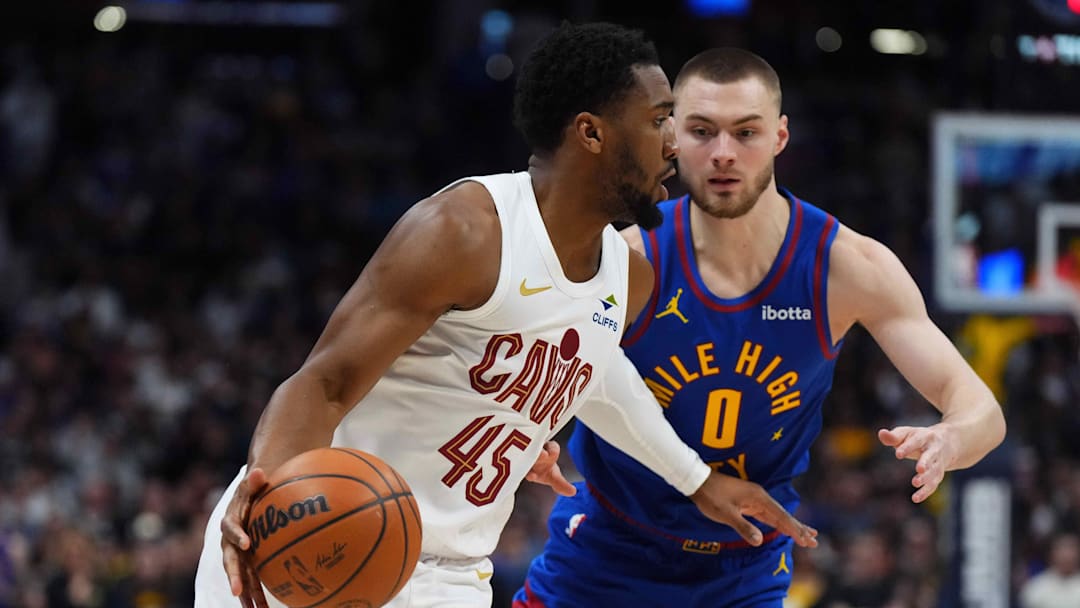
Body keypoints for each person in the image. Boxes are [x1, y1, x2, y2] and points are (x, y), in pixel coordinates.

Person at [193, 27, 818, 608]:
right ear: (591, 133)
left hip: (452, 574)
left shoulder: (629, 276)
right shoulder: (464, 231)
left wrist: (696, 479)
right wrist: (270, 495)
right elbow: (323, 382)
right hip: (323, 530)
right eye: (660, 121)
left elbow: (599, 376)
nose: (676, 144)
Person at [515, 47, 1006, 607]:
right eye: (703, 131)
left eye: (745, 133)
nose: (723, 153)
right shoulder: (625, 260)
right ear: (671, 136)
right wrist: (526, 431)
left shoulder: (846, 268)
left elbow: (981, 410)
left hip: (743, 567)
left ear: (779, 136)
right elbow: (526, 372)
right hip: (607, 551)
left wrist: (951, 437)